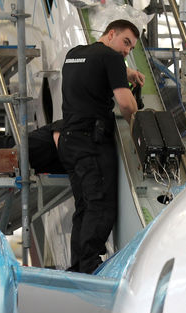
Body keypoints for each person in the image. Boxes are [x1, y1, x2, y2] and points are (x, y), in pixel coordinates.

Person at [58, 19, 144, 273]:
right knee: (101, 204)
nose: (127, 51)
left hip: (68, 140)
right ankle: (90, 266)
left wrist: (124, 71)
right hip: (91, 141)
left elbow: (94, 69)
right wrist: (138, 132)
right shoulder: (111, 58)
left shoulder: (74, 55)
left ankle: (77, 267)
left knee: (84, 206)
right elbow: (126, 104)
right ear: (110, 34)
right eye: (125, 42)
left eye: (131, 48)